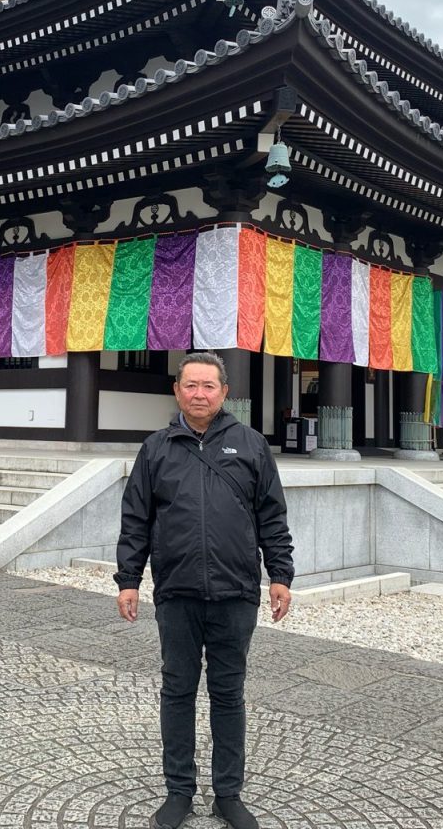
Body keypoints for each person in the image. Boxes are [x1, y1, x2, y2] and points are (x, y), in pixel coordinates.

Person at [114, 351, 294, 829]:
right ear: (177, 391)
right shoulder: (156, 448)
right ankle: (179, 791)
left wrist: (280, 574)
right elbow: (136, 519)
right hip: (177, 590)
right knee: (177, 690)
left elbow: (271, 516)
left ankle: (228, 793)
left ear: (223, 392)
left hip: (236, 590)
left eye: (208, 386)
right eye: (190, 385)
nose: (199, 394)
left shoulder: (251, 445)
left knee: (228, 692)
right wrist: (129, 580)